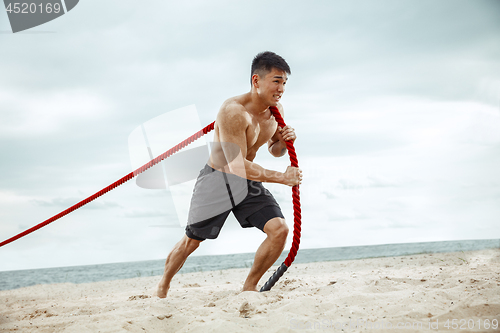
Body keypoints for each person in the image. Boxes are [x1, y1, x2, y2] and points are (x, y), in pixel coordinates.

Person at [156, 51, 302, 298]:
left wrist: (284, 140)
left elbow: (274, 150)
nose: (281, 88)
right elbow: (234, 165)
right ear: (256, 81)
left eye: (284, 83)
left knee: (280, 230)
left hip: (248, 181)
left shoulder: (276, 111)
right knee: (191, 242)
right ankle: (163, 285)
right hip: (218, 180)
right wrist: (282, 177)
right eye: (276, 81)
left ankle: (249, 288)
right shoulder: (233, 111)